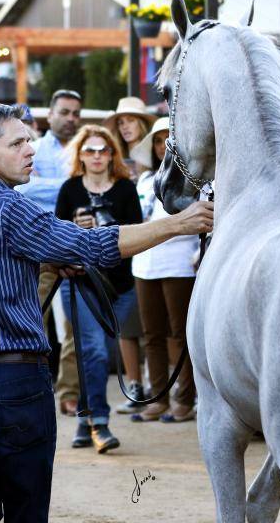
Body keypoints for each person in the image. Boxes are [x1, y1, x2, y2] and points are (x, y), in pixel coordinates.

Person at [0, 103, 213, 523]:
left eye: (28, 140)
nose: (30, 150)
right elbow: (93, 246)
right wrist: (177, 224)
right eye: (18, 142)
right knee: (26, 511)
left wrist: (39, 261)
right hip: (12, 382)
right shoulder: (11, 208)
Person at [55, 125, 142, 452]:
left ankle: (83, 420)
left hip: (119, 285)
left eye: (102, 150)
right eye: (89, 150)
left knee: (98, 356)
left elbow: (137, 235)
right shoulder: (70, 190)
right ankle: (100, 424)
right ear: (79, 155)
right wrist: (75, 229)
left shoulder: (125, 190)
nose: (95, 156)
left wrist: (107, 229)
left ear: (111, 155)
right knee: (93, 350)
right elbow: (55, 237)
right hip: (80, 282)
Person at [16, 89, 83, 416]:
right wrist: (71, 187)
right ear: (51, 115)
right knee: (33, 322)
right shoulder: (34, 149)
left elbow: (89, 191)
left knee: (75, 325)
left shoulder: (88, 148)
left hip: (75, 247)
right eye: (65, 112)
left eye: (75, 113)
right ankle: (34, 389)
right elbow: (24, 189)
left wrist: (53, 188)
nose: (71, 119)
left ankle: (69, 392)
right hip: (40, 248)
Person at [129, 118, 199, 423]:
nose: (162, 147)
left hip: (180, 262)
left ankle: (184, 399)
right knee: (151, 334)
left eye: (167, 140)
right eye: (157, 142)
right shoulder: (144, 180)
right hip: (144, 263)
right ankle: (157, 398)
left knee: (182, 333)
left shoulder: (195, 179)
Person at [103, 96, 157, 411]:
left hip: (155, 249)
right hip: (124, 249)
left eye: (130, 120)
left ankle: (155, 383)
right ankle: (136, 384)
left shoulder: (160, 159)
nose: (125, 127)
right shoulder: (117, 161)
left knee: (153, 324)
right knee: (127, 323)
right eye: (120, 122)